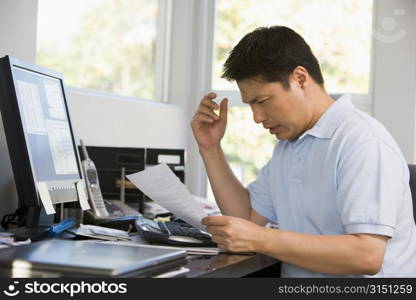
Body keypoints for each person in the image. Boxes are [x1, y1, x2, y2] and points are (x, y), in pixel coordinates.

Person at [191, 26, 416, 277]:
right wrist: (210, 149)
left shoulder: (362, 141)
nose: (257, 117)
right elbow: (246, 218)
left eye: (262, 101)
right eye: (250, 105)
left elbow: (368, 255)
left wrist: (261, 239)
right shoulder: (288, 148)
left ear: (299, 79)